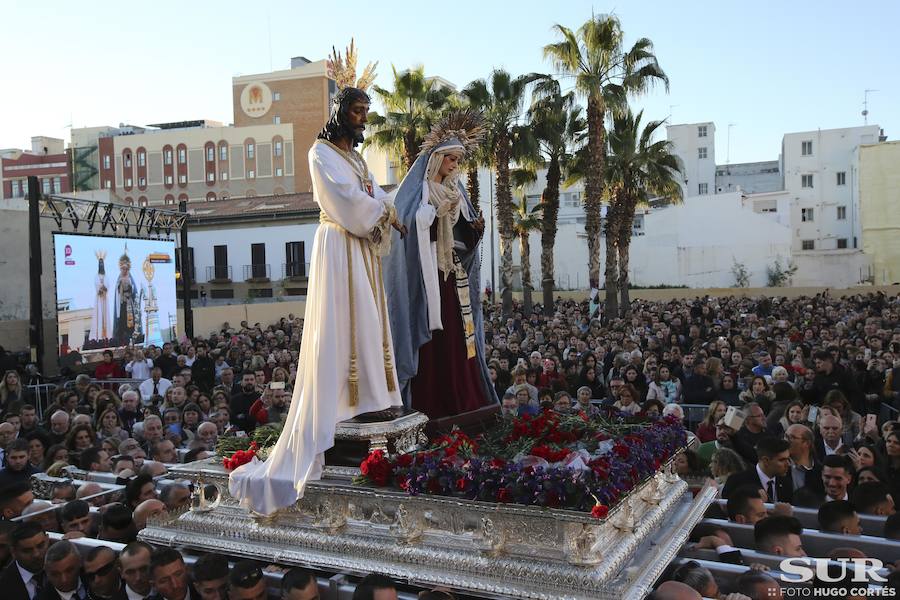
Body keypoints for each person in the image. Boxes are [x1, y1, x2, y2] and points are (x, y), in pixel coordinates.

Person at [229, 85, 402, 516]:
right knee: (344, 321)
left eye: (366, 111)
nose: (362, 118)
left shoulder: (358, 159)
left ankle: (374, 398)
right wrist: (382, 211)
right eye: (356, 111)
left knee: (369, 319)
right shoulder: (320, 152)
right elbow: (348, 202)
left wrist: (395, 207)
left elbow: (377, 196)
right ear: (340, 113)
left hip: (360, 249)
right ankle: (347, 401)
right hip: (339, 243)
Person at [384, 110, 494, 420]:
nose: (455, 165)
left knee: (460, 341)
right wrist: (432, 216)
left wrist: (475, 232)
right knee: (435, 343)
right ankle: (429, 405)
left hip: (454, 276)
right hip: (427, 277)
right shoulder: (415, 194)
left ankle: (466, 401)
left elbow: (464, 238)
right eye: (451, 158)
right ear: (436, 158)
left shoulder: (457, 192)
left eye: (458, 159)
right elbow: (404, 231)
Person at [722, 437, 794, 503]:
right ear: (766, 461)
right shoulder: (737, 482)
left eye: (788, 459)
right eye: (782, 460)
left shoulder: (786, 483)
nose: (788, 464)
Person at [0, 522, 48, 600]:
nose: (36, 554)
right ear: (13, 552)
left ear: (47, 539)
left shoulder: (65, 564)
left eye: (40, 546)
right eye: (27, 551)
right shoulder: (3, 586)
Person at [113, 248, 140, 346]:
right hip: (122, 303)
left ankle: (131, 335)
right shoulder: (119, 278)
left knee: (130, 319)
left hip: (129, 302)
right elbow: (117, 291)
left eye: (126, 269)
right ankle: (121, 336)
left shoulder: (130, 278)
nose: (124, 270)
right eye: (122, 268)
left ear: (128, 268)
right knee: (122, 319)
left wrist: (130, 287)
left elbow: (134, 290)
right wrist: (120, 286)